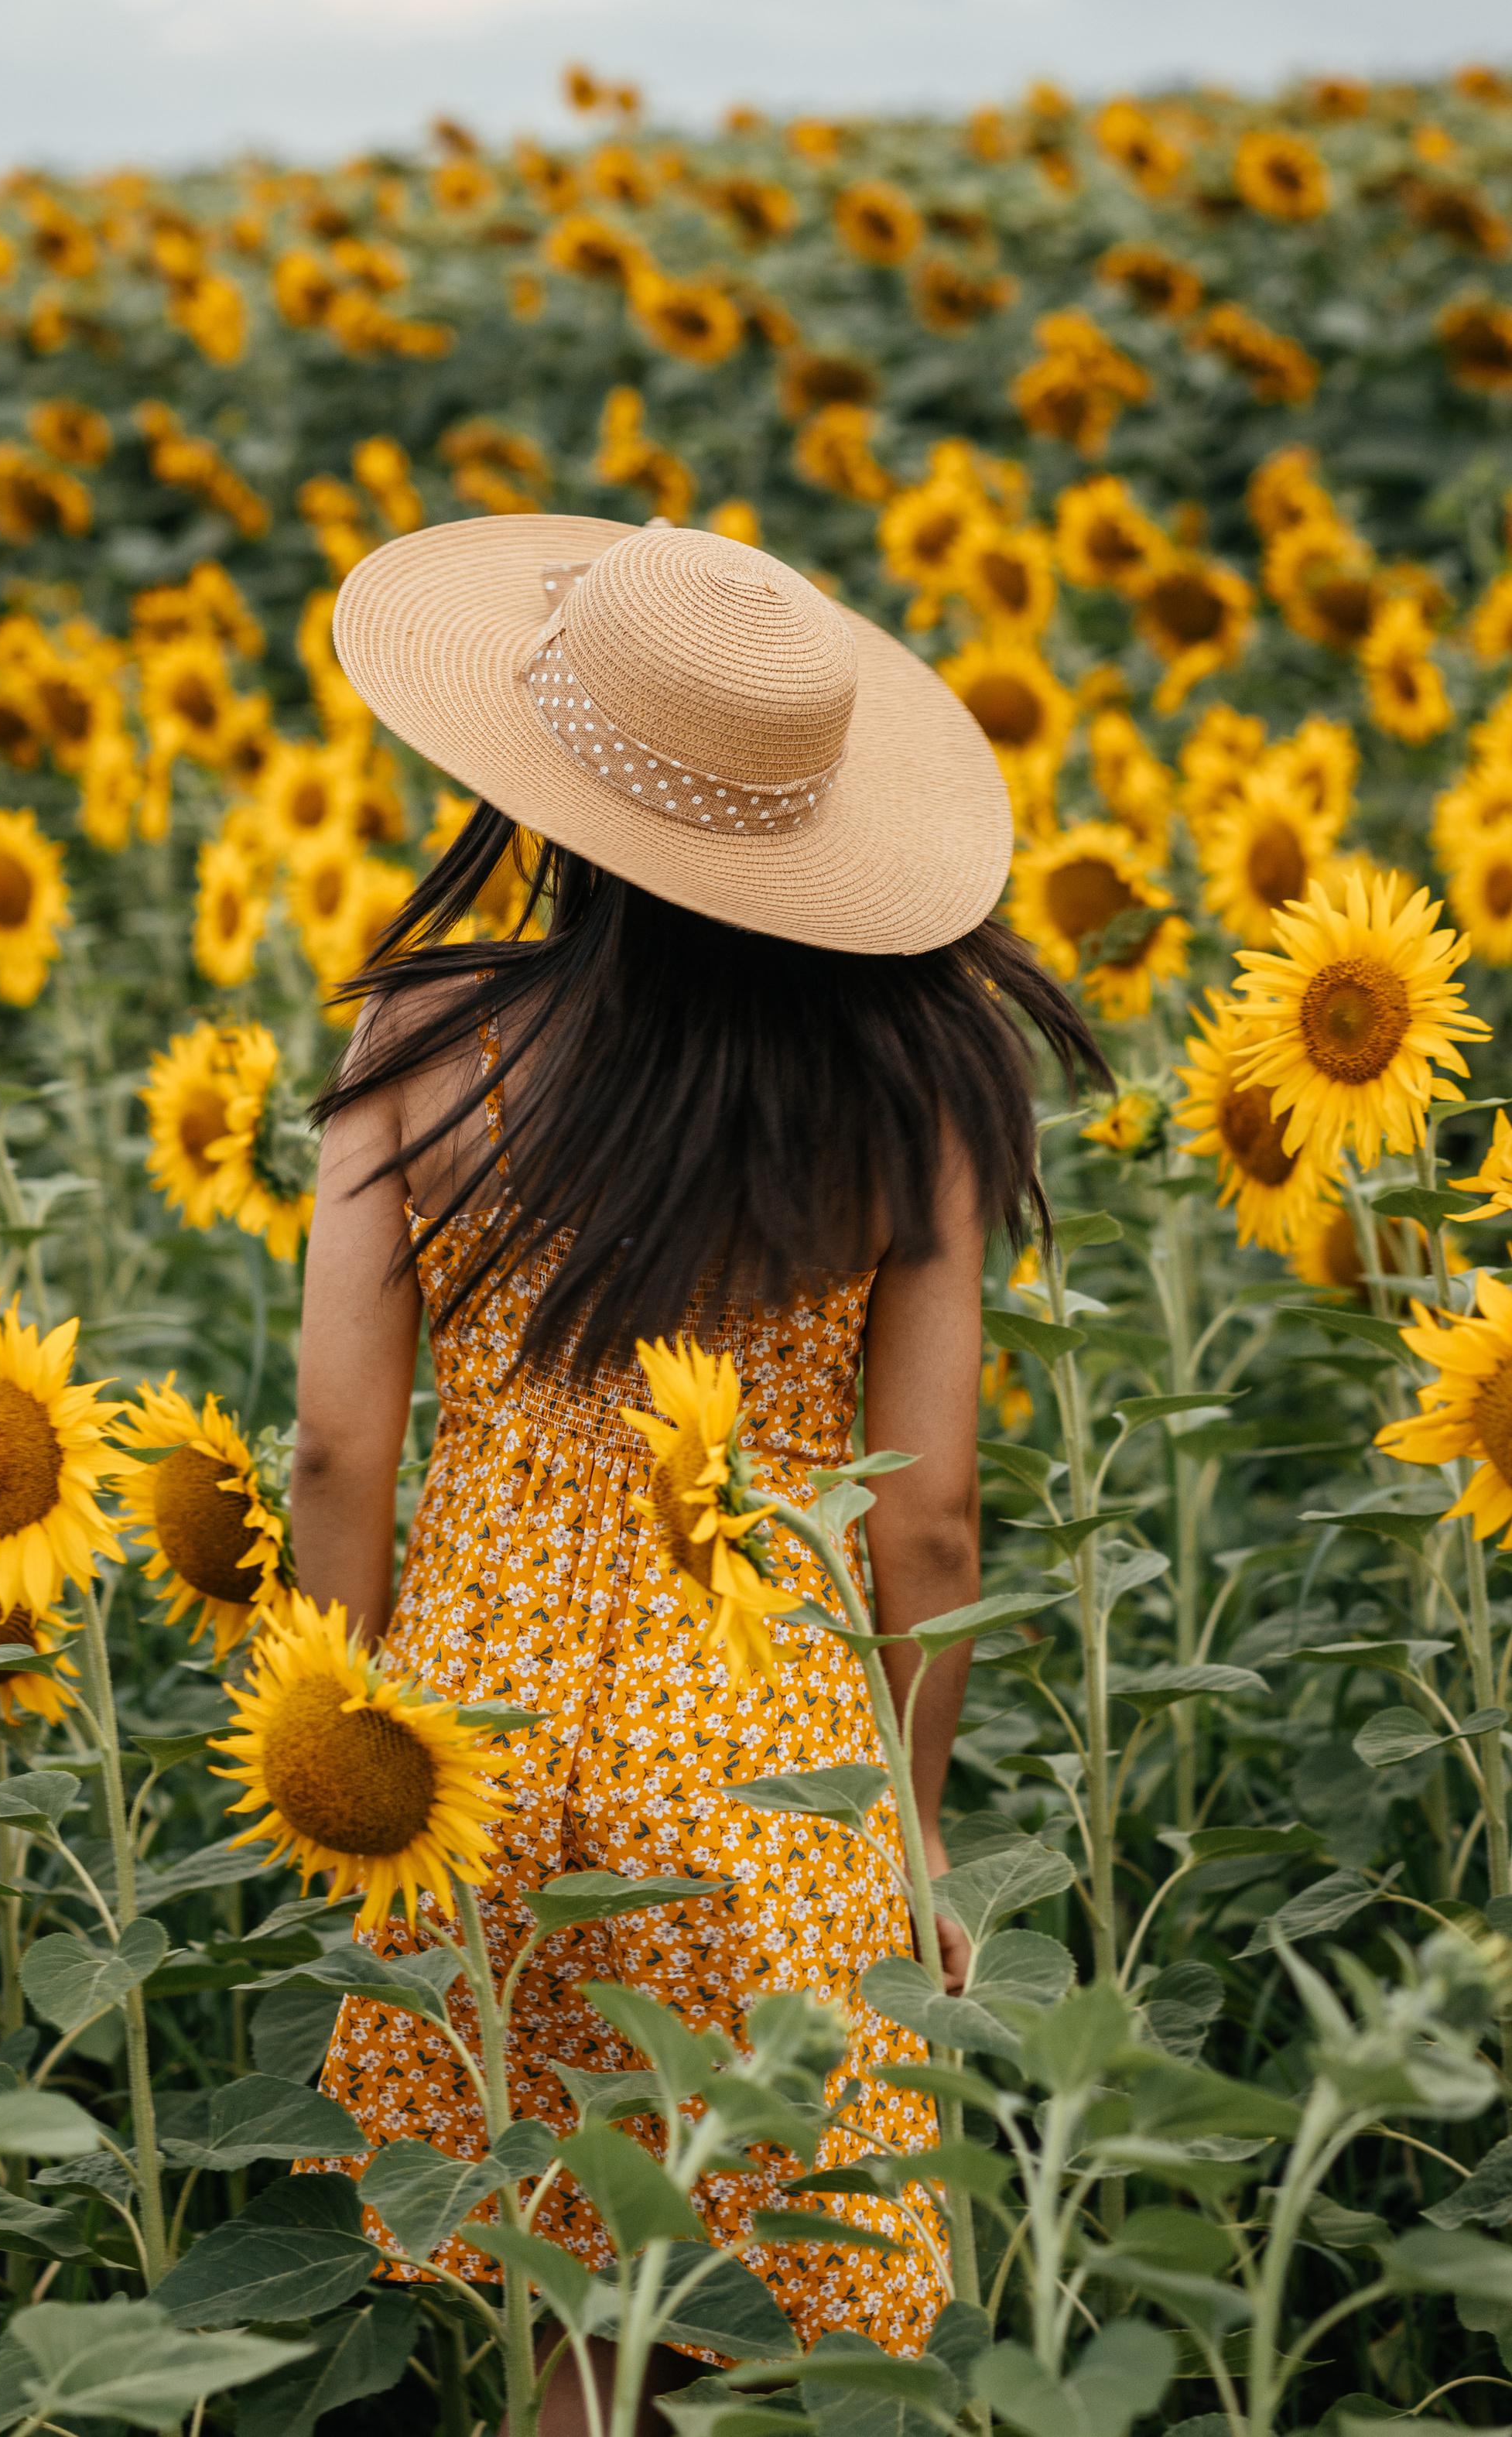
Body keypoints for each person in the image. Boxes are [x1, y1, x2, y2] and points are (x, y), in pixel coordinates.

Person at [289, 518, 1105, 2434]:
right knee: (768, 2299)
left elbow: (336, 1444)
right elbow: (920, 1516)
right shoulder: (922, 1080)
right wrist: (896, 1833)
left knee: (556, 2289)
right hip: (763, 1742)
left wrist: (338, 1752)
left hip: (472, 1741)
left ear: (553, 786)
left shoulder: (428, 1036)